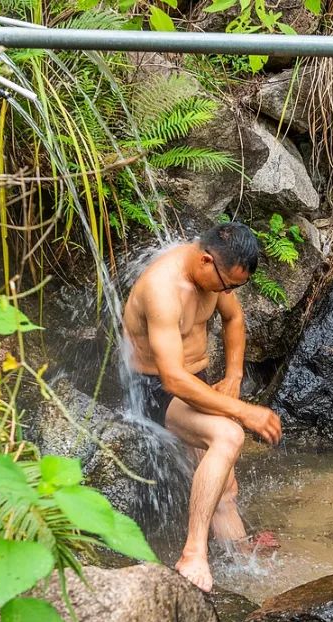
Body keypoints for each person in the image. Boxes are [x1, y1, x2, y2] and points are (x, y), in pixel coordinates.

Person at [122, 222, 283, 592]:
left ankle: (240, 556)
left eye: (235, 288)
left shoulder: (216, 276)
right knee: (229, 435)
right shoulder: (162, 288)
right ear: (206, 260)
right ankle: (193, 553)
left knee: (226, 484)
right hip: (154, 389)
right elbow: (173, 379)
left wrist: (234, 375)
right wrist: (244, 411)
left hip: (195, 379)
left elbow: (234, 318)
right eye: (227, 286)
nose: (228, 293)